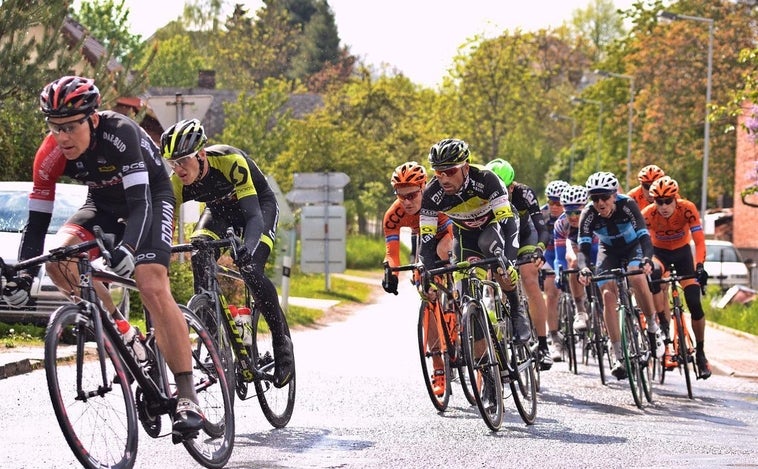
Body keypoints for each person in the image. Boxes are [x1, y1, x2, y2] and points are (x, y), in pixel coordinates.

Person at [1, 76, 204, 438]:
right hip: (102, 204)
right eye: (54, 127)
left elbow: (141, 203)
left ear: (92, 119)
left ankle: (187, 395)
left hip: (151, 200)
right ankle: (126, 335)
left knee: (150, 283)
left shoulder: (119, 132)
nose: (62, 137)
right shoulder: (49, 155)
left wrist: (127, 248)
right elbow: (36, 224)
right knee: (58, 258)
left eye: (70, 127)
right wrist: (24, 280)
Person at [160, 118, 294, 388]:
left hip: (257, 207)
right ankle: (212, 336)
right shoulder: (178, 182)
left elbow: (254, 216)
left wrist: (248, 248)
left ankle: (282, 345)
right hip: (219, 211)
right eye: (172, 163)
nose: (178, 169)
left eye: (183, 160)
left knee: (251, 269)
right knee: (199, 246)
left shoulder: (229, 160)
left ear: (200, 154)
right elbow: (164, 220)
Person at [417, 139, 530, 347]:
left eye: (450, 171)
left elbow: (507, 223)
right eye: (438, 172)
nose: (443, 178)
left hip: (495, 226)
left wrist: (510, 262)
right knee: (465, 296)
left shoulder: (486, 179)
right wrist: (427, 274)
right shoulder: (432, 195)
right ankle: (486, 371)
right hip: (465, 234)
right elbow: (426, 240)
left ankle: (516, 311)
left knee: (496, 256)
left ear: (466, 167)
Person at [576, 171, 665, 380]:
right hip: (608, 252)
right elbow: (583, 250)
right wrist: (584, 268)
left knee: (635, 275)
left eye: (604, 197)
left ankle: (653, 327)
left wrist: (647, 260)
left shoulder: (628, 205)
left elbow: (644, 236)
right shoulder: (587, 214)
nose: (600, 202)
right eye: (594, 198)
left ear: (614, 195)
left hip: (633, 247)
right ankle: (618, 354)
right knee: (607, 295)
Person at [382, 161, 454, 396]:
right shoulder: (393, 215)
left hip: (447, 234)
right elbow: (392, 254)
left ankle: (462, 311)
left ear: (424, 188)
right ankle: (438, 368)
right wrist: (391, 273)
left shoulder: (439, 199)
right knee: (427, 295)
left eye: (412, 195)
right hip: (423, 241)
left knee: (445, 254)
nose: (406, 201)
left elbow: (454, 234)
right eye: (401, 196)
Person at [485, 159, 554, 371]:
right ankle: (498, 338)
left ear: (512, 187)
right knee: (493, 280)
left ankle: (542, 345)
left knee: (529, 278)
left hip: (525, 237)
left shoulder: (524, 194)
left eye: (504, 190)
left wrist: (540, 249)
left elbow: (541, 227)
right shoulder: (482, 195)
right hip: (500, 238)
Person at [642, 176, 711, 378]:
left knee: (694, 303)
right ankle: (663, 326)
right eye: (658, 201)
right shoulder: (648, 214)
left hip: (683, 255)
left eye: (667, 201)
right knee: (654, 274)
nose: (663, 206)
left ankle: (700, 352)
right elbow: (644, 244)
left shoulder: (687, 208)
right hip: (659, 254)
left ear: (675, 199)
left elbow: (699, 241)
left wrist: (700, 266)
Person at [552, 185, 598, 353]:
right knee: (572, 263)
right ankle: (580, 311)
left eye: (577, 213)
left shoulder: (596, 217)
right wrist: (559, 273)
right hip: (576, 248)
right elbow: (559, 255)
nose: (572, 217)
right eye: (568, 212)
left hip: (596, 249)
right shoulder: (561, 224)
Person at [541, 180, 569, 362]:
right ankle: (553, 336)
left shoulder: (572, 215)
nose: (555, 206)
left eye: (559, 202)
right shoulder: (542, 214)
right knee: (551, 293)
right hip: (549, 255)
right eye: (552, 202)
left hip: (568, 252)